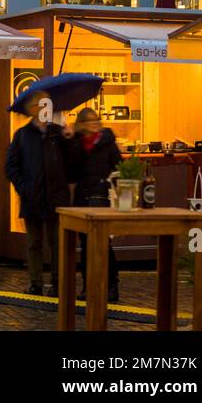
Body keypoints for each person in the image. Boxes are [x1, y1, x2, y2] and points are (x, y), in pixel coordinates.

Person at [4, 94, 74, 296]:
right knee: (34, 243)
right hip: (32, 197)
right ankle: (35, 282)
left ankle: (58, 281)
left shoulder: (58, 133)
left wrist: (70, 140)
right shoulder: (23, 135)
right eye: (37, 105)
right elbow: (11, 166)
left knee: (57, 243)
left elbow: (73, 163)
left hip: (56, 198)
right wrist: (23, 187)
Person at [68, 108, 121, 302]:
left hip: (101, 197)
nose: (94, 123)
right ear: (81, 124)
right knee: (86, 245)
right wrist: (72, 141)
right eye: (89, 121)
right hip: (82, 198)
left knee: (103, 244)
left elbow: (119, 169)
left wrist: (115, 191)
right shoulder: (76, 143)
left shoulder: (107, 143)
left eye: (96, 120)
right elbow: (71, 171)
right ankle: (88, 286)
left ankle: (112, 285)